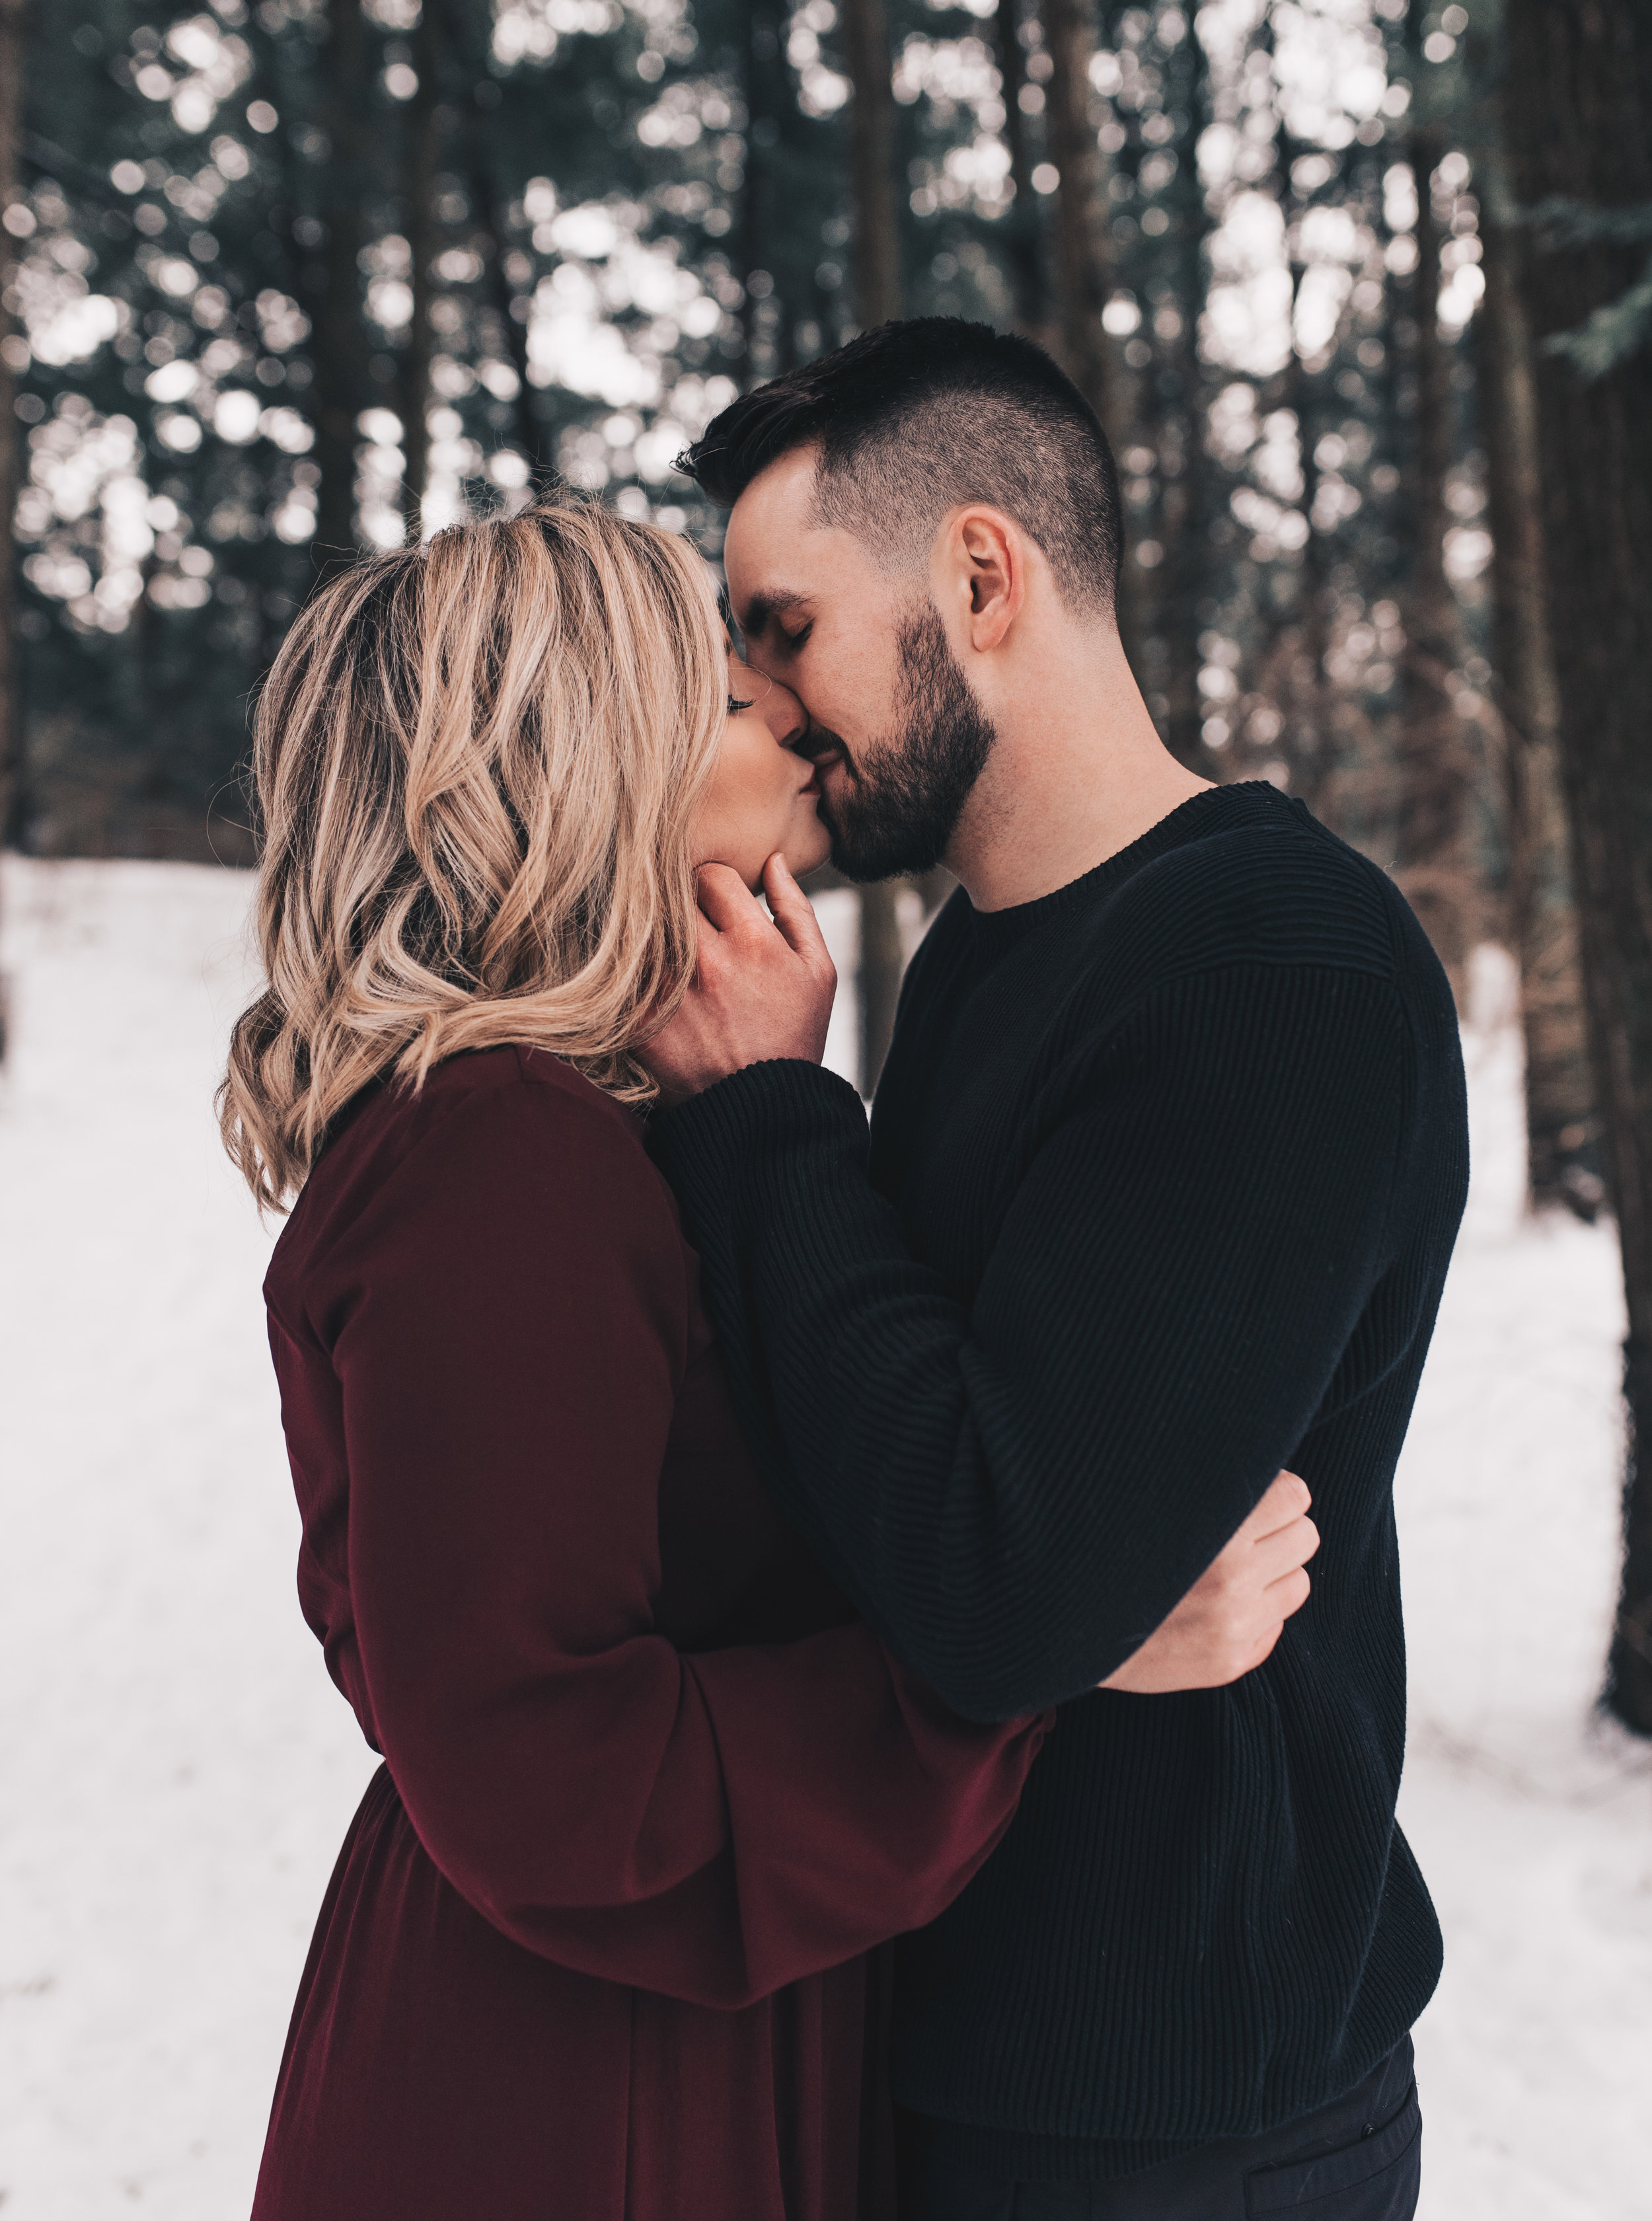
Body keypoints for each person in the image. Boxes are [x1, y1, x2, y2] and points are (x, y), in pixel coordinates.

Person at [217, 496, 1319, 2221]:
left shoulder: (584, 1124)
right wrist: (1034, 1655)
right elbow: (542, 1761)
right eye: (729, 699)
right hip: (581, 2085)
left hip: (665, 2011)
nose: (791, 715)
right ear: (595, 771)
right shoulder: (501, 1153)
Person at [642, 318, 1472, 2220]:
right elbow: (892, 1482)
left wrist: (775, 1119)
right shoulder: (981, 960)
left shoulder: (1270, 964)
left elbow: (993, 1584)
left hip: (1173, 2116)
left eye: (785, 626)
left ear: (981, 575)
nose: (762, 703)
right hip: (969, 2033)